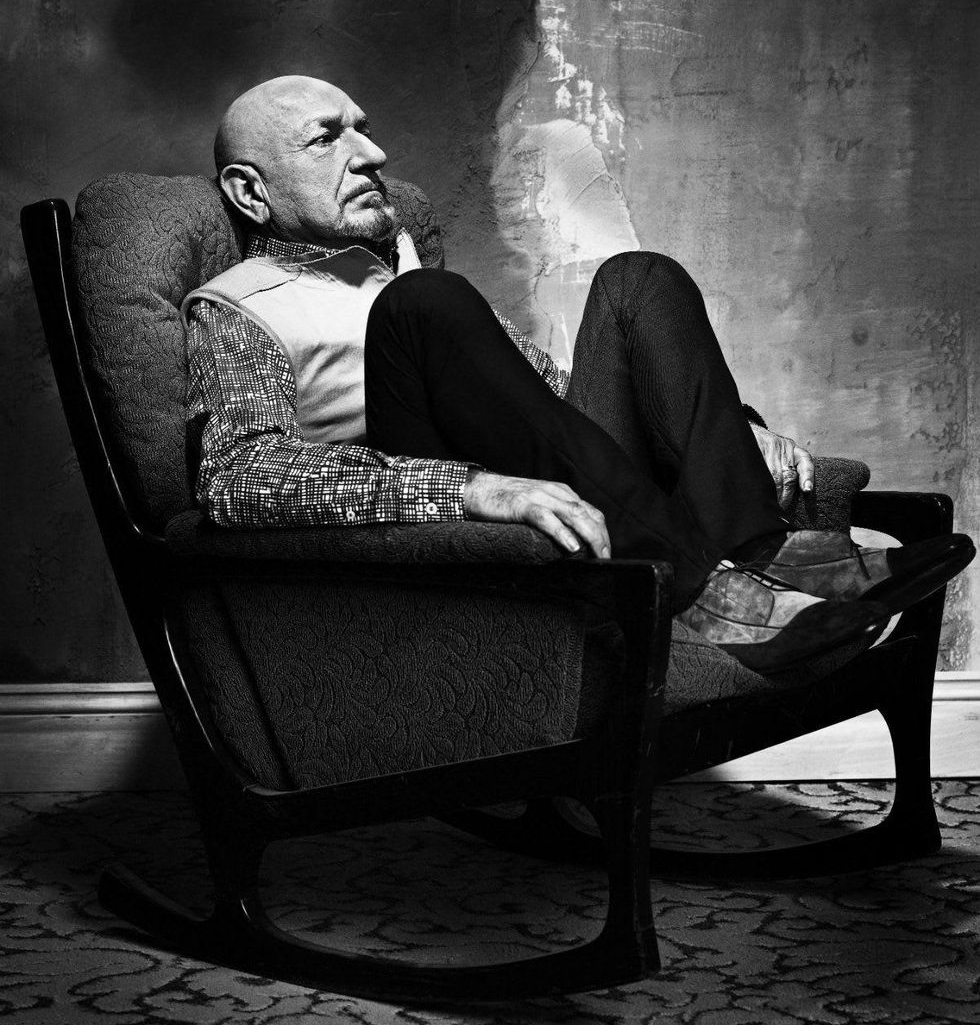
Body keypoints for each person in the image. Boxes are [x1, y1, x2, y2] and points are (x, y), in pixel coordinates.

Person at [182, 75, 972, 678]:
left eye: (364, 128)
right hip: (442, 531)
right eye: (327, 139)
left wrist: (731, 433)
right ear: (251, 191)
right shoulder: (239, 306)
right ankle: (715, 599)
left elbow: (552, 407)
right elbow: (238, 477)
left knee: (639, 278)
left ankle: (763, 557)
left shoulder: (401, 269)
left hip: (559, 486)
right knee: (425, 303)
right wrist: (466, 489)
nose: (372, 154)